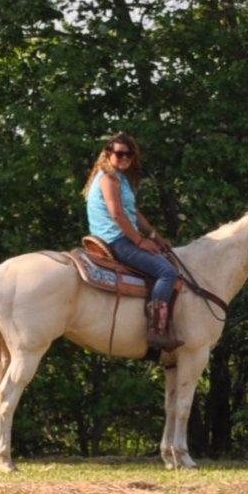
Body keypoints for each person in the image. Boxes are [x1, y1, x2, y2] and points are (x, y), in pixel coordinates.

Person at [83, 132, 179, 350]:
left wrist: (155, 236)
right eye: (120, 154)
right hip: (115, 240)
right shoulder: (107, 178)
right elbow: (117, 214)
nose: (125, 158)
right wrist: (140, 241)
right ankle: (157, 329)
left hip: (120, 237)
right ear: (108, 154)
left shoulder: (120, 177)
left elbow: (132, 212)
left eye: (130, 154)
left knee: (164, 259)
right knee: (168, 272)